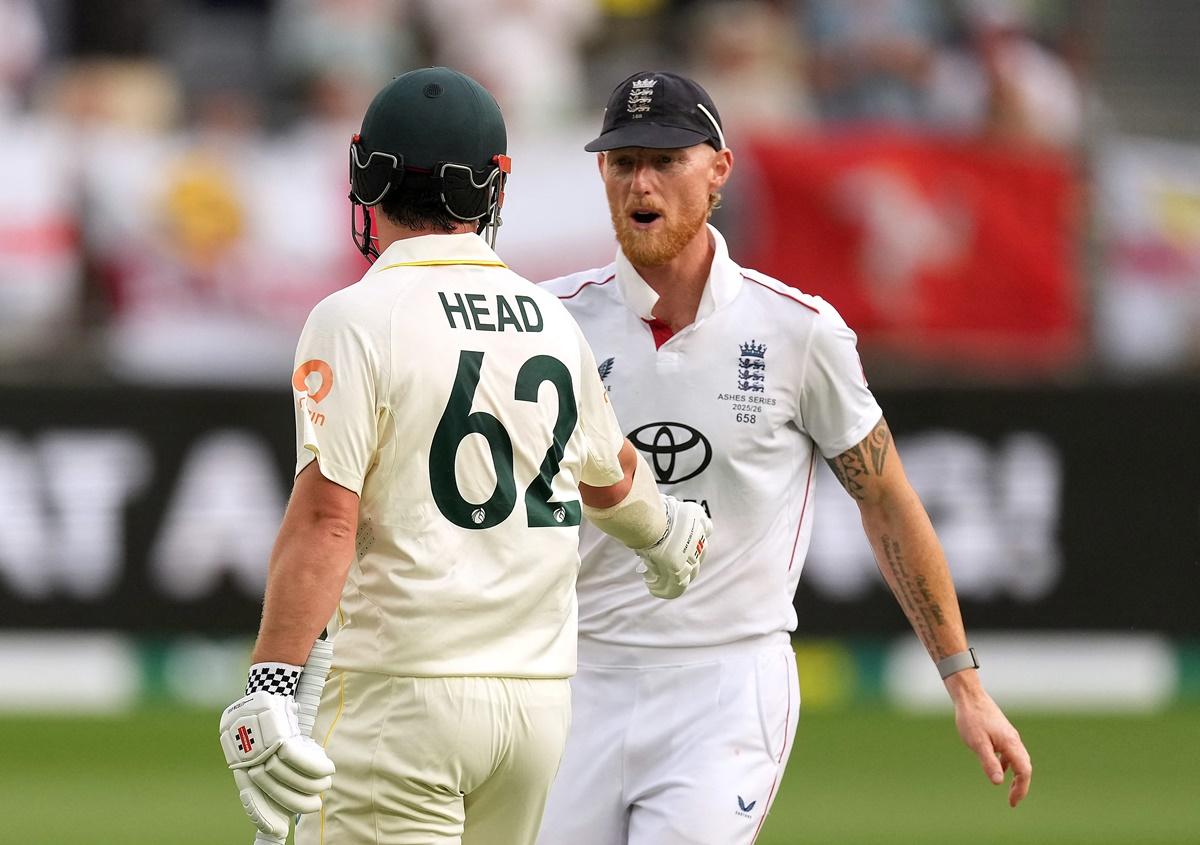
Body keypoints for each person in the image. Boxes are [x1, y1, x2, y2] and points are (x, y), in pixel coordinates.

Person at [216, 67, 712, 845]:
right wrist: (668, 535)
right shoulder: (548, 318)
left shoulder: (354, 318)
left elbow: (324, 520)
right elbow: (612, 476)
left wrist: (271, 682)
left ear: (364, 171)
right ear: (494, 185)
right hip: (535, 708)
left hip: (401, 696)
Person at [536, 71, 1033, 844]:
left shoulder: (799, 331)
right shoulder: (549, 322)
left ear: (719, 171)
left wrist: (965, 684)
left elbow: (887, 500)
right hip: (572, 678)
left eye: (667, 159)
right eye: (622, 159)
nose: (641, 180)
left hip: (725, 688)